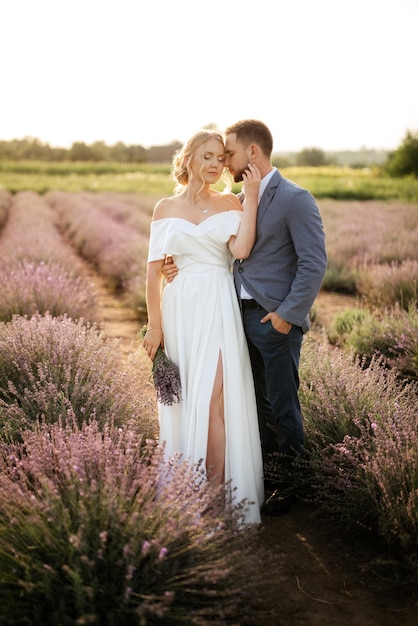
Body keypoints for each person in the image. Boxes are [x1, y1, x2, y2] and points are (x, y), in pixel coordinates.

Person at [163, 120, 327, 516]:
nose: (226, 161)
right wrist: (177, 266)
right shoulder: (237, 198)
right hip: (231, 318)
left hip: (274, 321)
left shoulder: (295, 199)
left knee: (285, 406)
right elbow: (226, 250)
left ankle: (293, 487)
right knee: (254, 407)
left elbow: (314, 264)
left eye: (230, 154)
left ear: (252, 153)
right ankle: (265, 479)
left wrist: (286, 316)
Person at [142, 129, 264, 524]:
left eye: (220, 158)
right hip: (179, 312)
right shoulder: (164, 208)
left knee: (212, 398)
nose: (215, 165)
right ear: (190, 157)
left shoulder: (230, 202)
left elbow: (241, 250)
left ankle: (212, 499)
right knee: (182, 400)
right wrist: (154, 326)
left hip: (216, 304)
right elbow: (153, 274)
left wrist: (254, 197)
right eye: (208, 156)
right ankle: (185, 489)